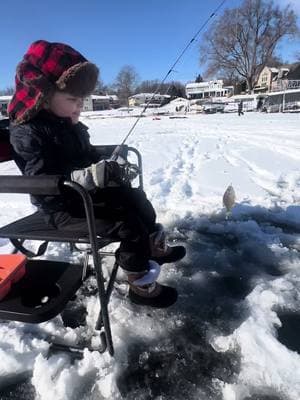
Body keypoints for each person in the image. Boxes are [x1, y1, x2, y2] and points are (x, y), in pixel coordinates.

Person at [8, 40, 186, 308]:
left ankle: (151, 248)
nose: (79, 106)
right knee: (127, 224)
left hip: (84, 197)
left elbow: (87, 155)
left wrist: (107, 164)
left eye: (82, 100)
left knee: (135, 198)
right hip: (60, 210)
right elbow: (44, 179)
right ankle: (140, 284)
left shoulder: (68, 124)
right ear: (43, 96)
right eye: (72, 100)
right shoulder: (27, 133)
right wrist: (89, 177)